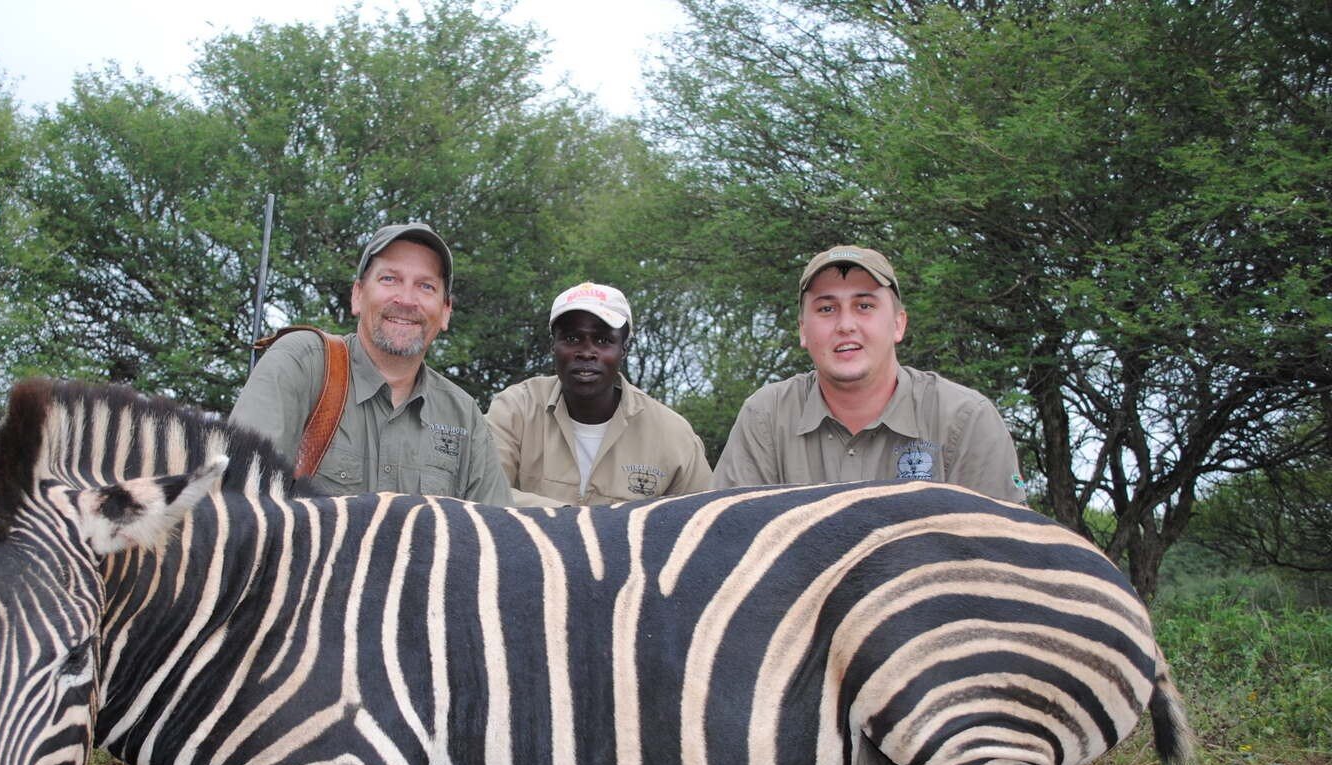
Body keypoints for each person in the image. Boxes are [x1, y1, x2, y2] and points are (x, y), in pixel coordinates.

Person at [712, 245, 1026, 503]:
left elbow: (1007, 555)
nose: (846, 325)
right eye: (826, 309)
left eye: (864, 306)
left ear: (899, 324)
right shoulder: (765, 417)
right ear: (803, 331)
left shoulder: (966, 418)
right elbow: (730, 546)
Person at [231, 222, 511, 504]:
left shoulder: (463, 415)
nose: (406, 299)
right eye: (389, 279)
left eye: (426, 286)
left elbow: (498, 534)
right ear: (358, 294)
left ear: (446, 311)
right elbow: (237, 508)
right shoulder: (301, 364)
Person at [486, 281, 711, 507]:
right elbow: (483, 492)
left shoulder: (673, 435)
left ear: (624, 349)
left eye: (603, 340)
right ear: (553, 345)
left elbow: (704, 519)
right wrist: (574, 522)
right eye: (572, 339)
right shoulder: (514, 409)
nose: (586, 352)